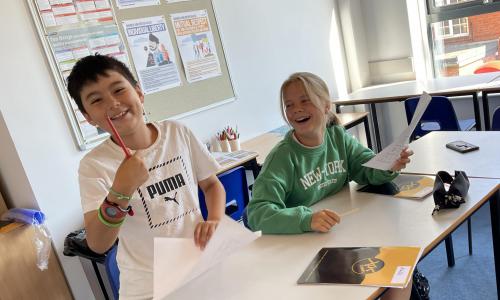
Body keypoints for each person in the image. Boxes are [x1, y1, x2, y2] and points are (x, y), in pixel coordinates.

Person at [67, 54, 225, 299]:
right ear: (88, 118)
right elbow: (98, 244)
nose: (112, 103)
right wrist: (121, 189)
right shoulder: (94, 165)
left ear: (139, 93)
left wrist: (214, 219)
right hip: (149, 289)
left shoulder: (177, 133)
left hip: (199, 268)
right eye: (96, 100)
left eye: (118, 90)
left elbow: (212, 185)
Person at [246, 72, 414, 300]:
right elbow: (257, 213)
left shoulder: (337, 136)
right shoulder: (283, 158)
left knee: (402, 269)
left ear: (326, 106)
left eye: (305, 100)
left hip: (340, 233)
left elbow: (364, 168)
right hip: (301, 246)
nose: (296, 109)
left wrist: (388, 165)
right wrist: (306, 219)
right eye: (289, 104)